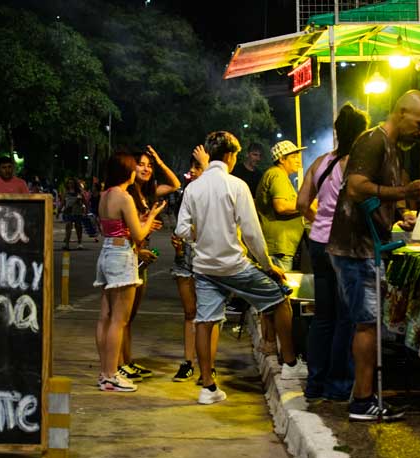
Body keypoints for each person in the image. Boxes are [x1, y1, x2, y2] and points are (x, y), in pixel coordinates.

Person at [176, 131, 308, 405]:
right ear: (230, 155)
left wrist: (201, 235)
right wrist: (268, 264)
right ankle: (290, 363)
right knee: (280, 298)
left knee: (205, 321)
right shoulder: (236, 185)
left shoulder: (194, 187)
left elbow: (181, 230)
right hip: (235, 265)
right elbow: (251, 232)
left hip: (205, 267)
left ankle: (208, 388)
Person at [327, 90, 420, 421]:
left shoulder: (392, 148)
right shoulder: (373, 141)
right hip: (355, 248)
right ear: (401, 113)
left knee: (368, 323)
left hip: (366, 247)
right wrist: (404, 192)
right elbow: (357, 187)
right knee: (367, 324)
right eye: (419, 125)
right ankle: (362, 401)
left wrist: (399, 212)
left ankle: (364, 394)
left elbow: (377, 195)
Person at [297, 102, 369, 402]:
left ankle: (315, 383)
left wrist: (320, 222)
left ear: (338, 132)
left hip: (318, 244)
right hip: (346, 247)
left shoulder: (320, 163)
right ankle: (338, 385)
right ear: (363, 133)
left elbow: (302, 204)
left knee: (323, 316)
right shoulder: (361, 167)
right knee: (346, 318)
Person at [95, 152, 166, 392]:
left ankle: (104, 373)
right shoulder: (124, 197)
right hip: (121, 255)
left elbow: (116, 227)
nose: (138, 169)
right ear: (127, 171)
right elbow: (139, 235)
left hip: (106, 252)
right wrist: (151, 217)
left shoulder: (105, 195)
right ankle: (112, 375)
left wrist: (140, 219)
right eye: (135, 167)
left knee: (104, 316)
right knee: (119, 319)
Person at [117, 145, 181, 382]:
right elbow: (118, 229)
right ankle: (119, 364)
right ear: (130, 167)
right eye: (141, 163)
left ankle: (128, 361)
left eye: (149, 165)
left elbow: (175, 184)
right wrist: (140, 244)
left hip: (141, 259)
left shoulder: (149, 191)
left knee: (130, 317)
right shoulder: (126, 193)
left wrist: (160, 161)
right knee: (121, 317)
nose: (145, 168)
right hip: (129, 255)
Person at [170, 146, 219, 383]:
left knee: (210, 315)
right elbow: (181, 227)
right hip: (186, 258)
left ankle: (209, 367)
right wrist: (178, 243)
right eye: (192, 166)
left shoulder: (219, 190)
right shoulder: (188, 193)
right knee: (190, 312)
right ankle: (188, 362)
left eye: (197, 166)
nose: (192, 171)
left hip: (210, 257)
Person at [255, 140, 307, 359]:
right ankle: (280, 351)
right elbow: (282, 206)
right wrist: (307, 204)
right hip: (278, 246)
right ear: (282, 159)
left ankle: (269, 345)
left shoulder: (278, 176)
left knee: (272, 298)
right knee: (279, 299)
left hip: (277, 245)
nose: (298, 159)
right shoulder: (277, 175)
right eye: (293, 156)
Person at [60, 177, 86, 250]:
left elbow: (85, 201)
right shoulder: (66, 192)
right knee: (68, 227)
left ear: (75, 184)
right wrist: (59, 211)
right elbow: (62, 203)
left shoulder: (79, 192)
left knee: (78, 227)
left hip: (77, 212)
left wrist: (86, 211)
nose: (70, 184)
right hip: (68, 212)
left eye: (72, 183)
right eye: (69, 183)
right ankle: (67, 244)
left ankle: (80, 243)